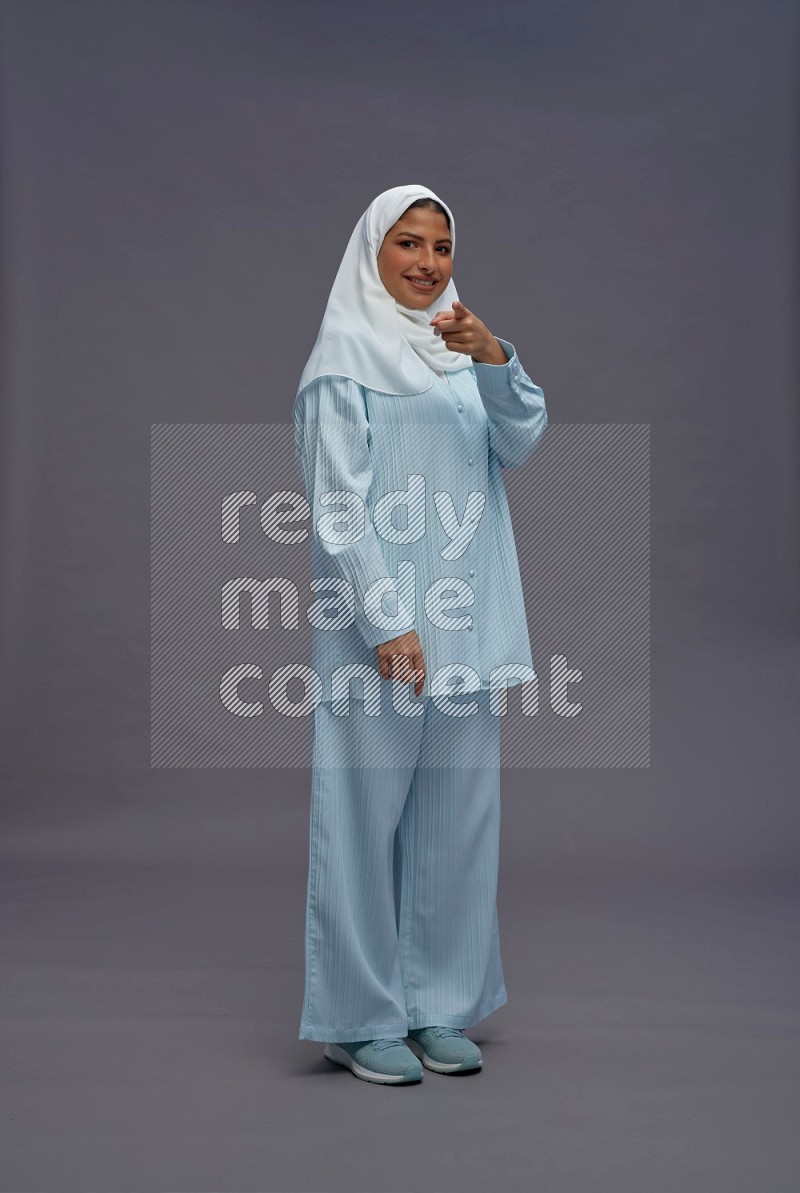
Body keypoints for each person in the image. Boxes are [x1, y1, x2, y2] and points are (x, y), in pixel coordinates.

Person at [292, 184, 548, 1085]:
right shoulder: (344, 361)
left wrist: (495, 358)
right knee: (363, 819)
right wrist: (388, 620)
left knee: (457, 820)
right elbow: (334, 505)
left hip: (470, 620)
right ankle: (359, 1018)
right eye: (408, 243)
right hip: (382, 632)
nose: (427, 263)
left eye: (441, 247)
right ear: (373, 252)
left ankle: (439, 1004)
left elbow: (518, 443)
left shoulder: (460, 351)